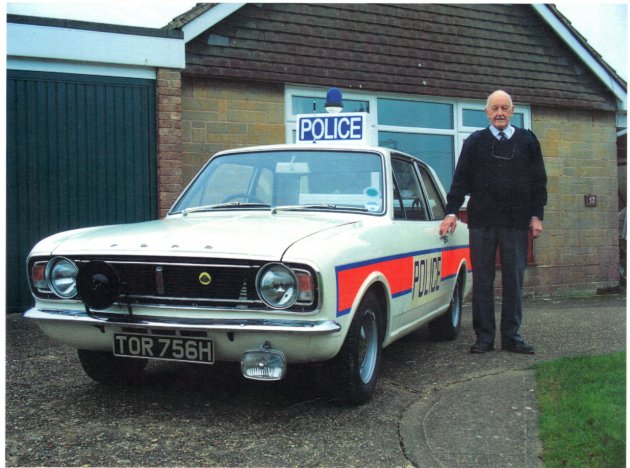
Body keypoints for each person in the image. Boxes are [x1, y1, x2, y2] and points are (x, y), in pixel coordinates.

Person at [439, 90, 547, 354]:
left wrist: (537, 215)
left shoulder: (528, 141)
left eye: (505, 108)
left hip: (516, 221)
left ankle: (512, 337)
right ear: (486, 112)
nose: (500, 113)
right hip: (482, 222)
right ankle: (484, 338)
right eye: (495, 108)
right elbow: (460, 179)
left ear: (513, 111)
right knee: (483, 281)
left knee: (514, 280)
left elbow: (539, 181)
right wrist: (452, 211)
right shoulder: (475, 142)